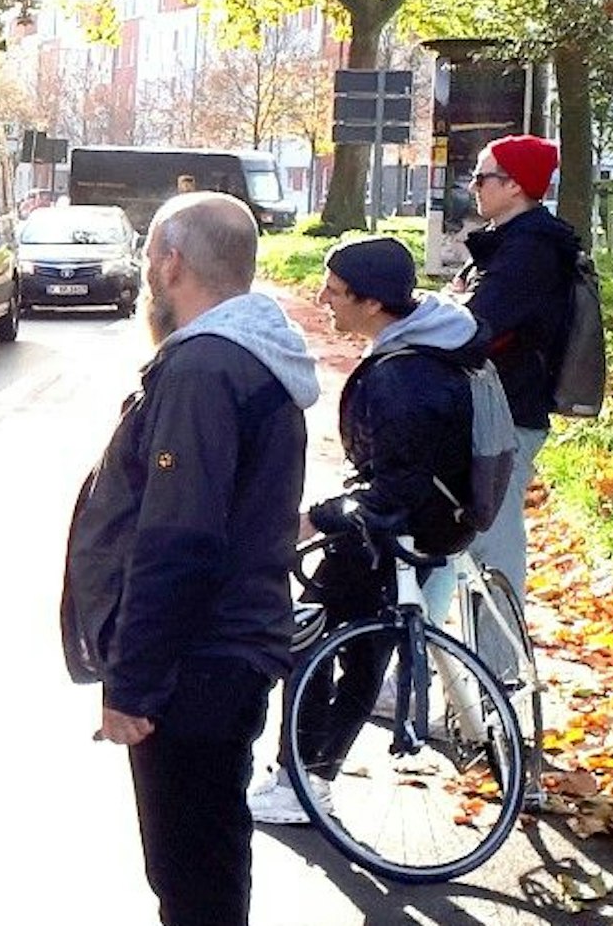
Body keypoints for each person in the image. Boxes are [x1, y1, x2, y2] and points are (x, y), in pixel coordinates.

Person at [60, 191, 318, 926]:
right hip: (224, 652)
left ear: (172, 264)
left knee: (189, 868)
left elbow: (178, 540)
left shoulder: (204, 370)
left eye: (148, 259)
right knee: (204, 858)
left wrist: (133, 688)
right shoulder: (247, 357)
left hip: (196, 666)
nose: (147, 275)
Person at [246, 236, 493, 825]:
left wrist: (315, 519)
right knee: (359, 652)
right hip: (430, 527)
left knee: (314, 647)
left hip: (389, 533)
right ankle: (308, 777)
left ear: (372, 301)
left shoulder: (401, 379)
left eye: (333, 290)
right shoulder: (429, 342)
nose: (322, 298)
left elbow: (396, 490)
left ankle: (305, 784)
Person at [450, 134, 583, 596]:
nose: (474, 185)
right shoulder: (514, 244)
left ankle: (502, 667)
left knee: (494, 545)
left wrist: (442, 312)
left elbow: (477, 324)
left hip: (507, 415)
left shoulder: (531, 251)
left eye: (483, 176)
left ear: (513, 186)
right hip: (495, 408)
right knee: (468, 543)